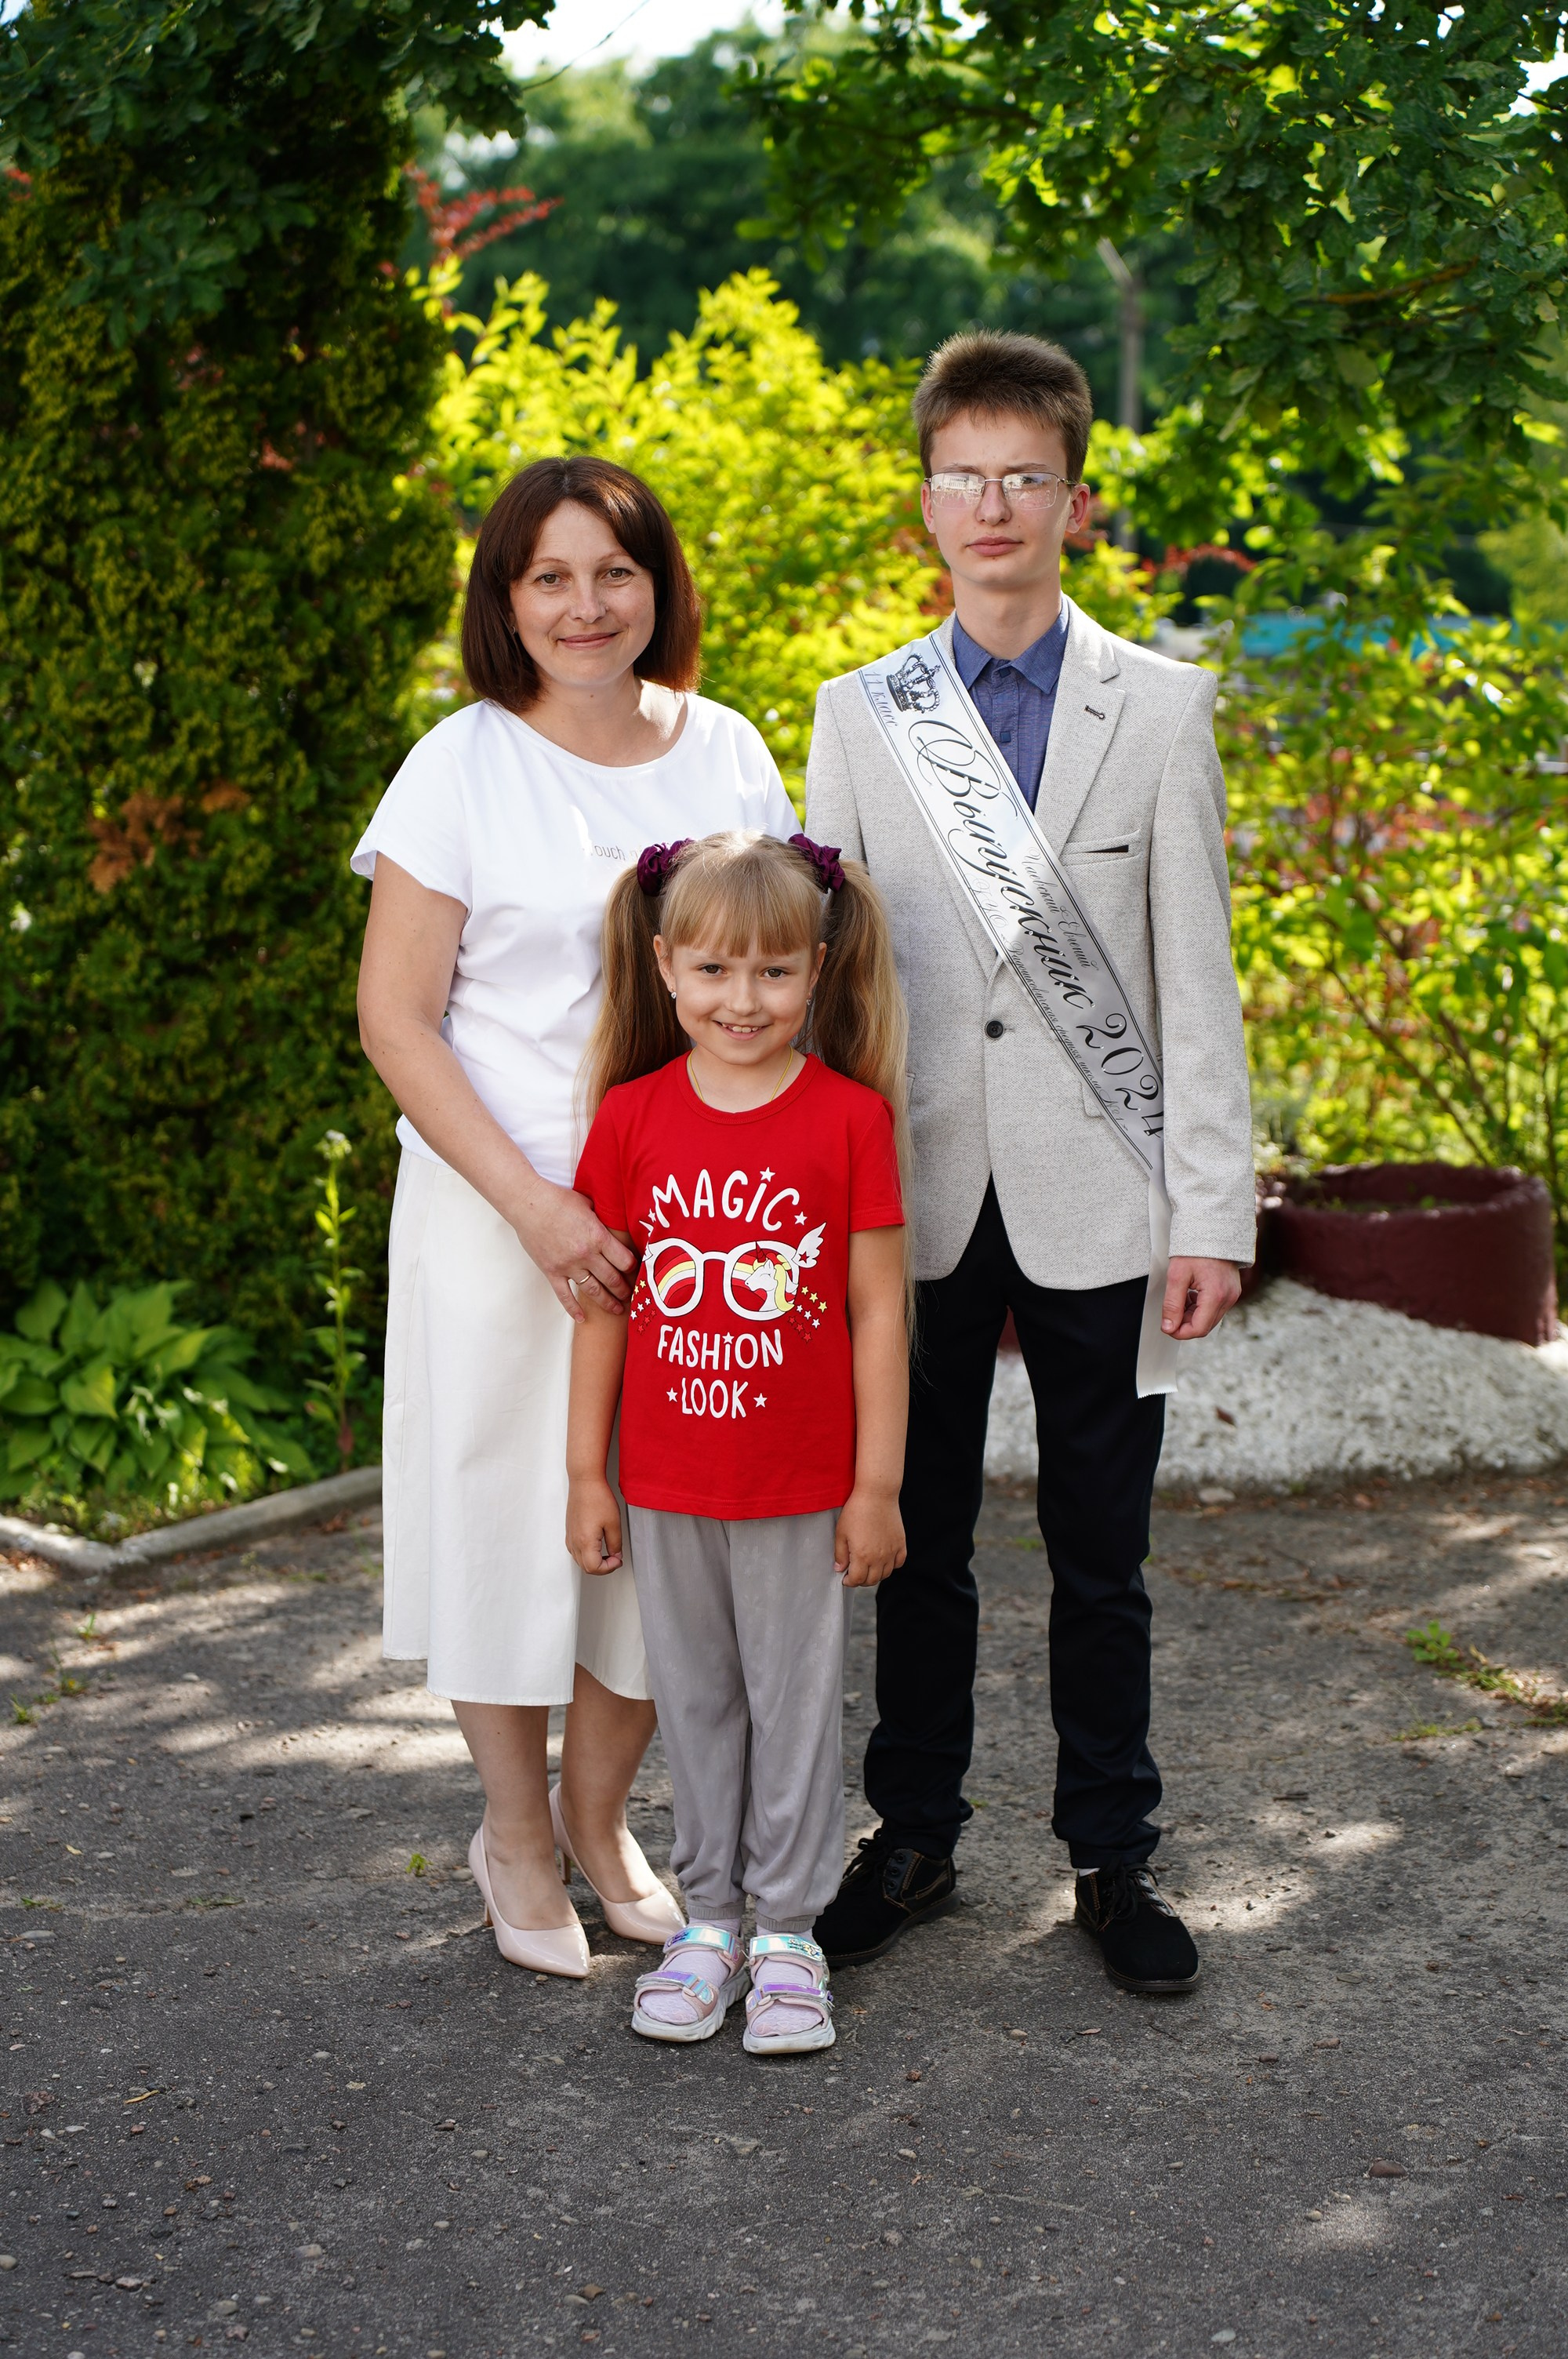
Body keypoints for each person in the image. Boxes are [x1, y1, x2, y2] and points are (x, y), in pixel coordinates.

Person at [804, 331, 1256, 1994]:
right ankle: (910, 1835)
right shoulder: (861, 716)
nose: (990, 506)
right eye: (960, 477)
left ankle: (1111, 1857)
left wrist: (1212, 1207)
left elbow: (1195, 981)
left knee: (1100, 1551)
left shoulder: (1164, 708)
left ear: (1076, 497)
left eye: (1024, 479)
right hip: (904, 1200)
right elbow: (830, 987)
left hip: (1105, 1191)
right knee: (910, 1535)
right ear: (923, 500)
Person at [354, 457, 800, 1979]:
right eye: (548, 576)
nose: (584, 604)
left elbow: (773, 964)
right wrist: (540, 1209)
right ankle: (515, 1834)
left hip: (694, 1213)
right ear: (506, 598)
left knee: (668, 1528)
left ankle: (602, 1821)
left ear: (656, 584)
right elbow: (398, 1019)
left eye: (611, 571)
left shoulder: (728, 750)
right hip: (502, 1214)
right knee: (509, 1524)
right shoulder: (458, 766)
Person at [564, 830, 910, 2052]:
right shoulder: (630, 1119)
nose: (741, 1000)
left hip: (803, 1488)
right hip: (665, 1483)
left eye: (771, 973)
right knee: (698, 1700)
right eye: (713, 972)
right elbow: (605, 1309)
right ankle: (708, 1917)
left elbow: (878, 1313)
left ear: (816, 971)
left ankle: (790, 1936)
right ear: (664, 967)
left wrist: (877, 1485)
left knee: (795, 1704)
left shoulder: (850, 1121)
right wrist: (582, 1476)